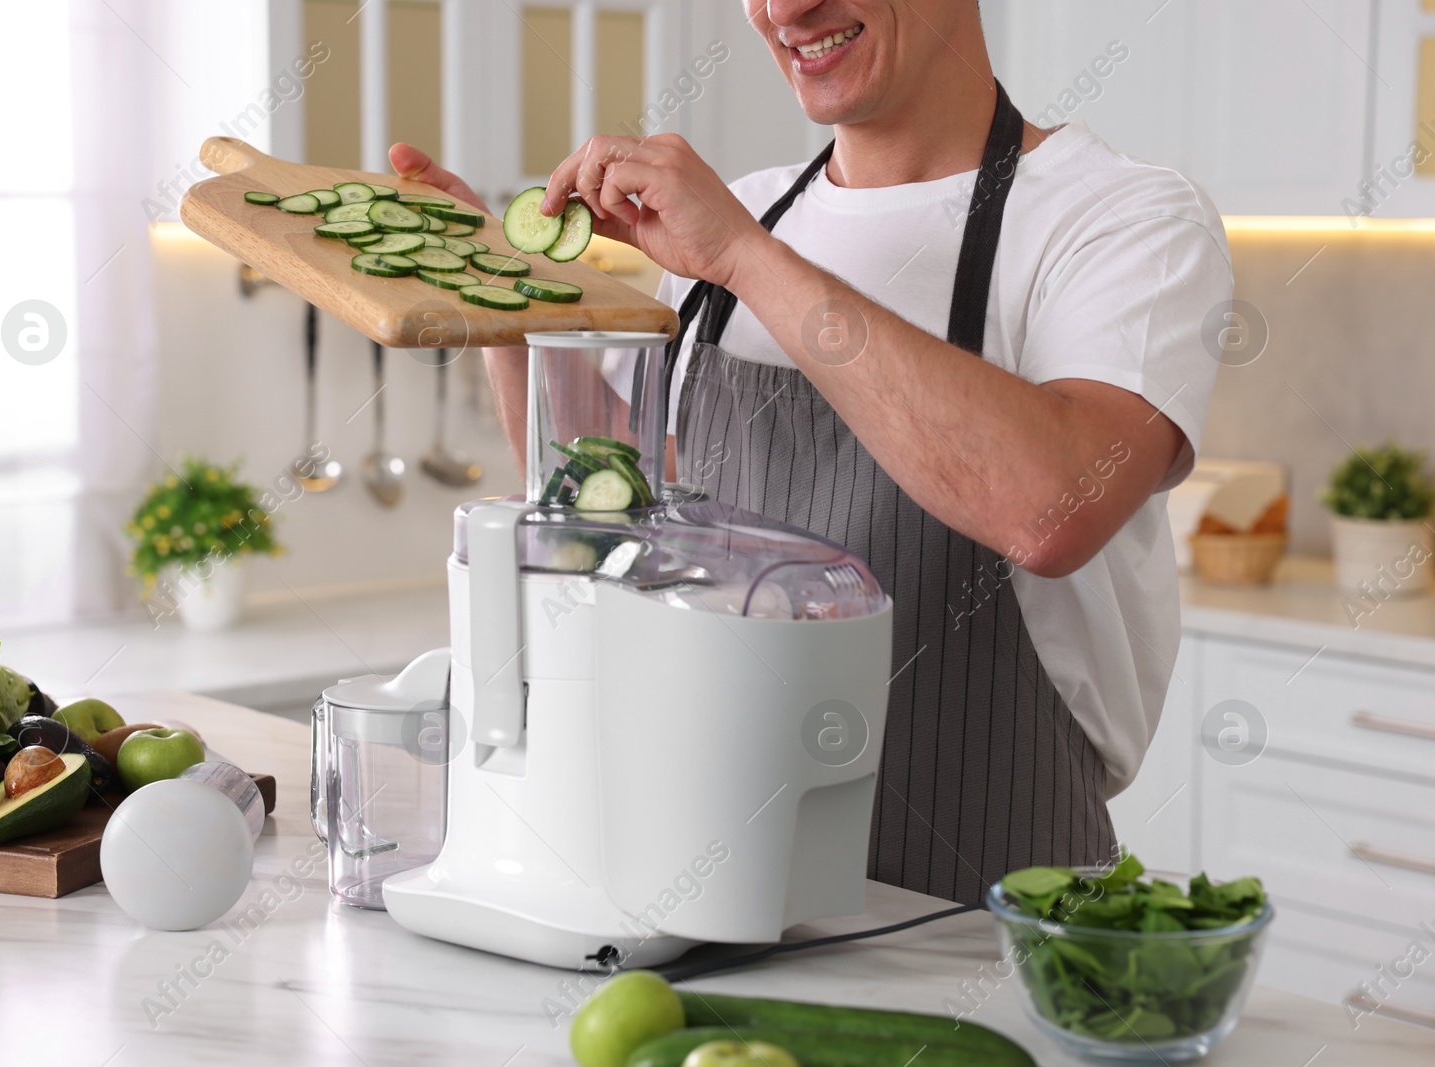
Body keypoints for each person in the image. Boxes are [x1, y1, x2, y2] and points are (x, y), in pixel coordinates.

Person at [387, 0, 1231, 905]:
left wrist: (745, 258)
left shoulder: (1122, 217)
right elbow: (628, 522)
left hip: (987, 911)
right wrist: (508, 308)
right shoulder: (745, 214)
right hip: (713, 886)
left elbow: (1053, 507)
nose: (784, 10)